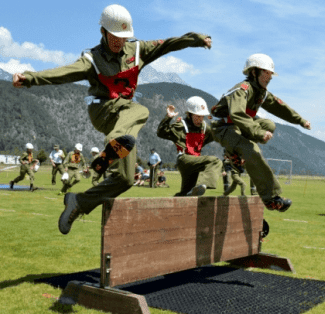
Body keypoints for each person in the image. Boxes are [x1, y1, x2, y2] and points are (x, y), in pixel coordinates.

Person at [12, 4, 213, 234]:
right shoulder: (92, 59)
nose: (119, 42)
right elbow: (62, 73)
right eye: (115, 37)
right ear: (104, 32)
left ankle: (79, 202)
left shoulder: (138, 50)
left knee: (126, 179)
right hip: (102, 111)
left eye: (124, 37)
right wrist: (29, 78)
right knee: (142, 111)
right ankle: (115, 143)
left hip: (124, 116)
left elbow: (168, 44)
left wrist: (196, 39)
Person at [211, 53, 311, 211]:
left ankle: (236, 154)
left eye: (271, 73)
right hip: (224, 128)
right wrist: (257, 132)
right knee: (253, 150)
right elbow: (237, 114)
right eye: (265, 72)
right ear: (253, 72)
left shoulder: (262, 93)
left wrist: (300, 120)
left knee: (269, 124)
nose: (269, 77)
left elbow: (280, 107)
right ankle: (271, 198)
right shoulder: (241, 90)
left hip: (240, 128)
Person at [157, 96, 222, 196]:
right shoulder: (181, 125)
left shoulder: (205, 128)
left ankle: (173, 207)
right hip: (184, 160)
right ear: (189, 114)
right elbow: (161, 133)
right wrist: (168, 118)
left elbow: (217, 134)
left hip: (195, 161)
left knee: (187, 193)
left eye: (202, 116)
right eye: (197, 116)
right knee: (215, 161)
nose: (200, 119)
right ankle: (203, 184)